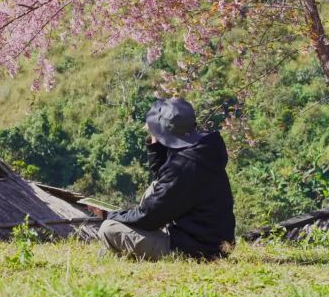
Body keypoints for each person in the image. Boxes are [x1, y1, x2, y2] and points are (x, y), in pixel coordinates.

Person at [90, 97, 236, 260]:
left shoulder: (182, 166)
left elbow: (149, 216)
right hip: (211, 241)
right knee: (154, 187)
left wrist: (109, 215)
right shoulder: (202, 150)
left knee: (109, 229)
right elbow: (164, 181)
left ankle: (122, 250)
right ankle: (123, 249)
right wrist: (156, 143)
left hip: (197, 250)